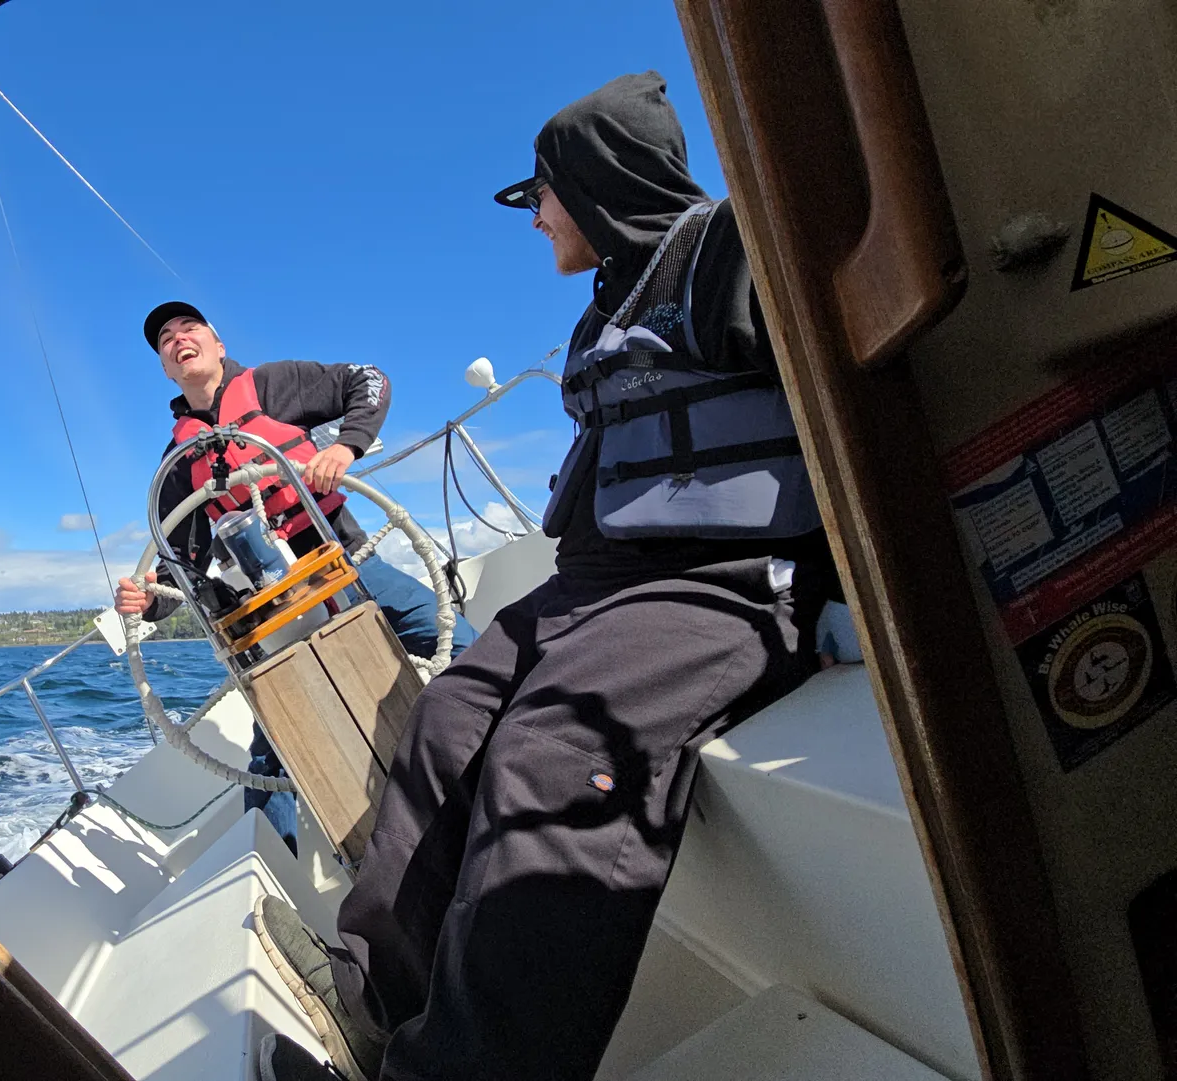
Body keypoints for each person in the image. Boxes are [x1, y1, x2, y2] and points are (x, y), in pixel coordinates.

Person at [252, 72, 836, 1081]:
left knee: (552, 751)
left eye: (543, 195)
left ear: (600, 180)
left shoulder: (728, 255)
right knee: (442, 726)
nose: (536, 220)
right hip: (590, 582)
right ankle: (372, 1002)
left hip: (718, 579)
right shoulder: (604, 307)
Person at [114, 301, 477, 854]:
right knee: (273, 746)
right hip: (271, 611)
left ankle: (491, 769)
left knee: (464, 645)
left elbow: (370, 380)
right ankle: (267, 869)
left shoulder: (277, 385)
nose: (177, 338)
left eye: (189, 328)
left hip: (344, 562)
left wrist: (346, 444)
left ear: (217, 343)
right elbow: (178, 565)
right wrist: (147, 601)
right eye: (165, 338)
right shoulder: (179, 460)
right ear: (165, 366)